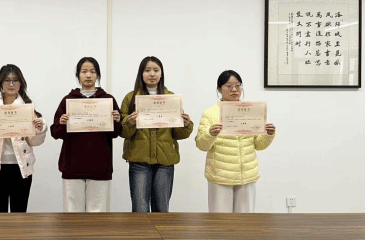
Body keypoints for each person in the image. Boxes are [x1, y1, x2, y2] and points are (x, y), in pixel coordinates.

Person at [195, 70, 276, 213]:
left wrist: (268, 134)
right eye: (228, 86)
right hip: (220, 176)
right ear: (219, 89)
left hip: (247, 175)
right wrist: (210, 134)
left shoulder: (251, 110)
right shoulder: (210, 113)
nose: (234, 90)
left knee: (245, 221)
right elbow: (201, 145)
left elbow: (258, 145)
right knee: (220, 220)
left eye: (238, 86)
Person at [120, 56, 194, 213]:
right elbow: (122, 132)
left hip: (165, 161)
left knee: (161, 209)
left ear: (161, 74)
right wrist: (129, 122)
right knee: (140, 210)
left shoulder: (171, 97)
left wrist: (186, 124)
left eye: (156, 70)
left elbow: (178, 134)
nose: (152, 74)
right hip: (139, 161)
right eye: (147, 70)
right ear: (141, 74)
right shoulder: (131, 98)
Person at [0, 64, 47, 213]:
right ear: (1, 83)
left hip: (21, 167)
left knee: (19, 213)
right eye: (7, 80)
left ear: (21, 83)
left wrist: (39, 129)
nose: (11, 84)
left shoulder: (27, 109)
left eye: (15, 80)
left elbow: (35, 142)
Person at [50, 57, 121, 212]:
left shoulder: (108, 100)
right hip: (72, 165)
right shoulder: (68, 100)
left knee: (97, 212)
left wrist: (117, 120)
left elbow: (116, 133)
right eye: (84, 71)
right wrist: (62, 123)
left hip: (100, 165)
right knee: (72, 212)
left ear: (98, 75)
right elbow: (56, 133)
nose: (88, 75)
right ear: (78, 75)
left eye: (92, 72)